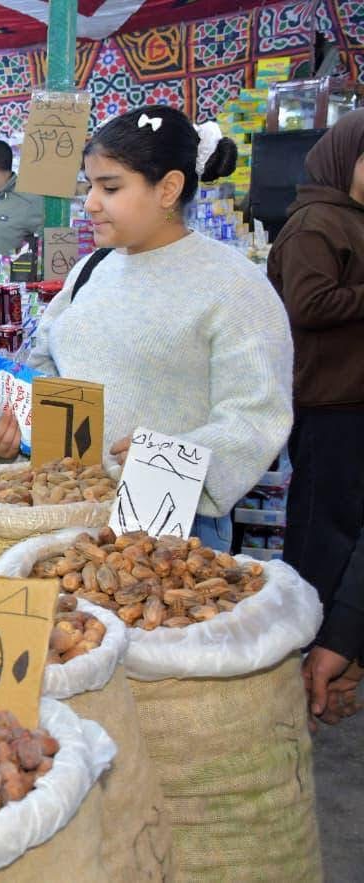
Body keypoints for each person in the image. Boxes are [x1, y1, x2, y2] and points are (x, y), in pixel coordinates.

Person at [0, 106, 293, 553]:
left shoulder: (236, 288)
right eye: (89, 186)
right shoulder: (91, 269)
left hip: (170, 528)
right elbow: (42, 370)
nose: (90, 204)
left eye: (110, 187)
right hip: (62, 513)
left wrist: (168, 460)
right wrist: (10, 432)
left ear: (168, 188)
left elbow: (256, 416)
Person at [266, 109, 364, 726]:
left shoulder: (351, 222)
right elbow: (309, 303)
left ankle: (336, 653)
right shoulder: (314, 224)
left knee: (347, 533)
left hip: (354, 400)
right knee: (323, 534)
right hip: (331, 405)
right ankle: (303, 658)